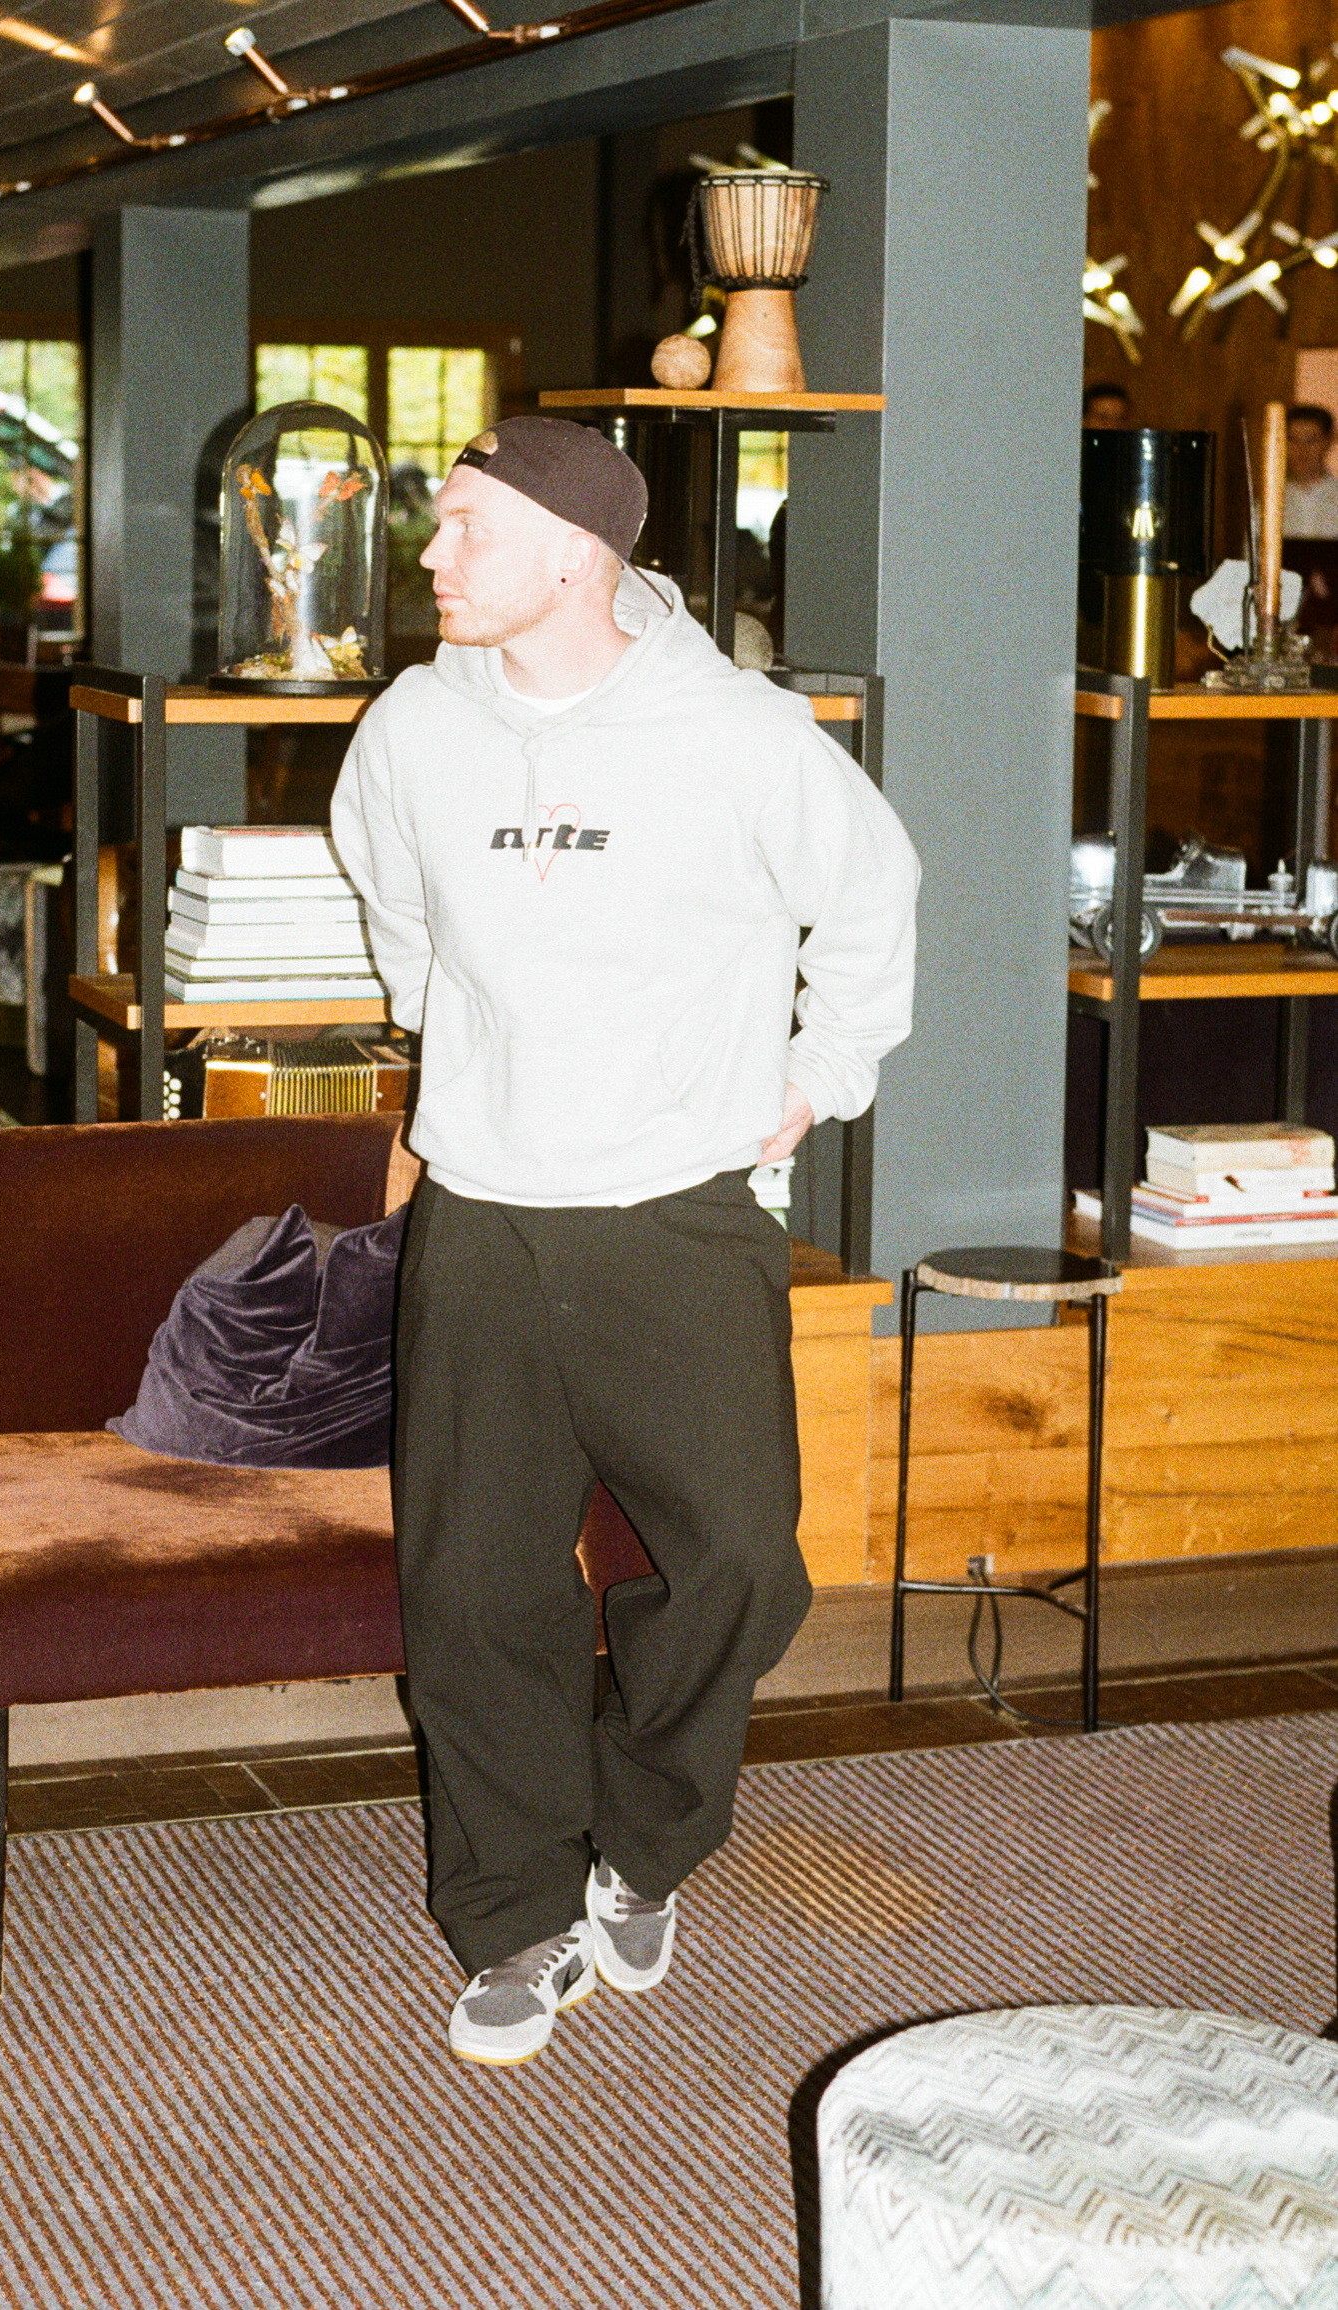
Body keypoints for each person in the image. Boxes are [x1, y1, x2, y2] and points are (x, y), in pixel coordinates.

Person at [331, 415, 919, 2067]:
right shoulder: (415, 725)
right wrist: (460, 1039)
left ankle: (644, 1839)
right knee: (472, 1588)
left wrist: (820, 1074)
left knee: (737, 1561)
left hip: (676, 1213)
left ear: (574, 555)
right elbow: (393, 900)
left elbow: (872, 898)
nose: (432, 553)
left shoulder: (738, 734)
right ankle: (513, 1916)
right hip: (481, 1213)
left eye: (466, 527)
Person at [1284, 404, 1338, 538]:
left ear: (1328, 442)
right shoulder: (1269, 505)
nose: (1301, 450)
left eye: (1311, 441)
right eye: (1293, 440)